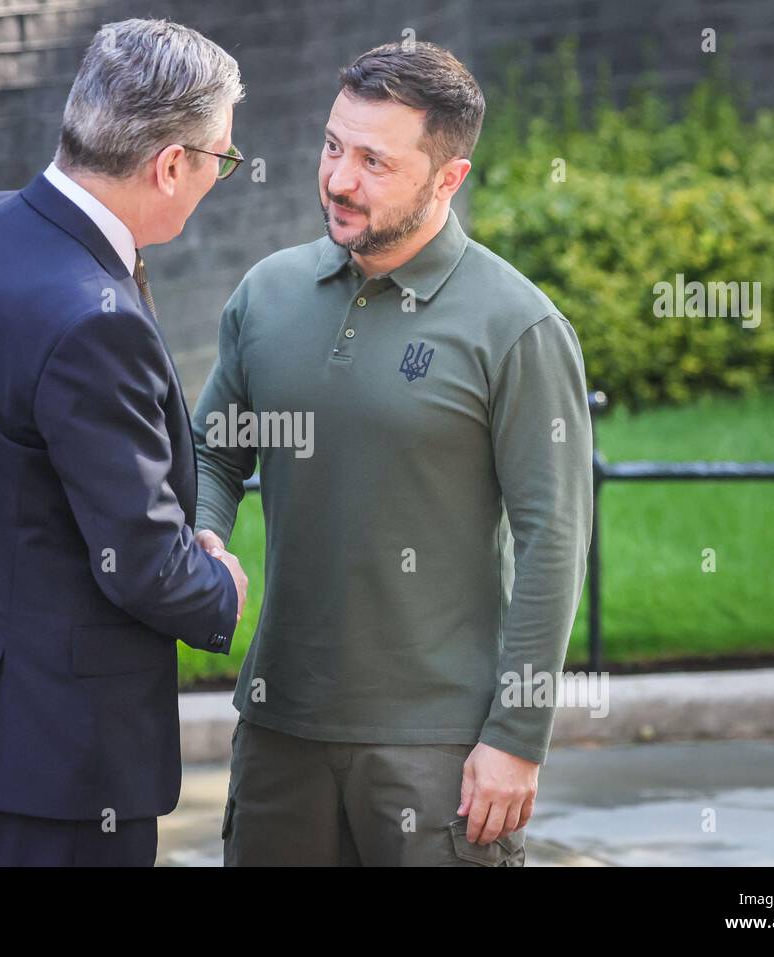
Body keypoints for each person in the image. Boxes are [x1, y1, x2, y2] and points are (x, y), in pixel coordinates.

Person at [193, 41, 593, 866]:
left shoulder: (517, 327)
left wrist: (517, 736)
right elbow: (214, 451)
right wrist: (204, 533)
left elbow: (554, 534)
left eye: (375, 160)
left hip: (439, 748)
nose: (340, 179)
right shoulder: (265, 295)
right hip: (278, 728)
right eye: (334, 146)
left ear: (449, 178)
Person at [0, 18, 248, 866]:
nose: (220, 173)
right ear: (171, 164)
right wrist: (216, 582)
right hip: (55, 762)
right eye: (222, 156)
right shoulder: (89, 319)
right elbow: (141, 559)